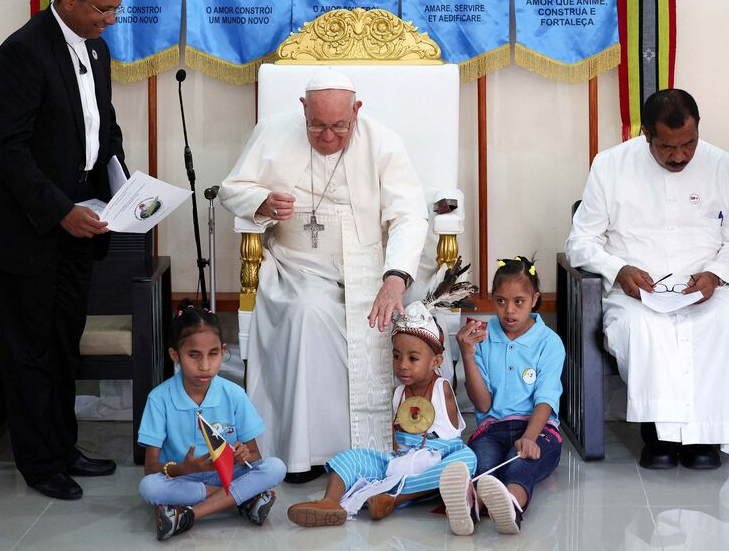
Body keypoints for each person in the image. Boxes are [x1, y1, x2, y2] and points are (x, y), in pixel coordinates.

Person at [565, 89, 729, 470]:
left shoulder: (723, 166)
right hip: (637, 291)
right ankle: (658, 436)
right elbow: (580, 242)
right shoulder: (609, 166)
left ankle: (706, 435)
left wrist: (715, 275)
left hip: (707, 286)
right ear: (645, 136)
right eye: (667, 148)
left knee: (728, 321)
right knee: (644, 328)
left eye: (688, 144)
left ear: (697, 130)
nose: (679, 156)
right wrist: (617, 270)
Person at [0, 0, 127, 500]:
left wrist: (124, 190)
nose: (110, 20)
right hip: (27, 227)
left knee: (63, 343)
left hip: (79, 220)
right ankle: (39, 463)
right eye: (102, 10)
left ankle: (63, 446)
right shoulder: (21, 53)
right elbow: (8, 152)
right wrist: (61, 210)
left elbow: (103, 128)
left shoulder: (96, 50)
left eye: (114, 12)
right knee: (30, 348)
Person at [219, 69, 428, 481]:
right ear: (303, 110)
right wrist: (261, 201)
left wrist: (395, 278)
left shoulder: (384, 142)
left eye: (339, 126)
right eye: (317, 125)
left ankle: (368, 450)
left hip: (371, 264)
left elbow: (409, 215)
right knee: (306, 313)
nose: (328, 137)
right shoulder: (274, 131)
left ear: (357, 111)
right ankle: (305, 453)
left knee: (379, 322)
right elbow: (231, 189)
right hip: (297, 263)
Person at [286, 294, 476, 527]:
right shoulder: (399, 393)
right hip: (399, 460)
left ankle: (392, 500)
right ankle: (330, 502)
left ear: (436, 362)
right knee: (349, 457)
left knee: (467, 459)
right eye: (397, 356)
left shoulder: (441, 387)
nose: (402, 365)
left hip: (435, 461)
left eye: (413, 358)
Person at [137, 303, 286, 541]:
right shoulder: (159, 399)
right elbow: (151, 467)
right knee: (149, 487)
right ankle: (242, 500)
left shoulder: (234, 394)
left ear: (223, 350)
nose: (205, 366)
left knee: (276, 467)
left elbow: (255, 454)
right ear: (175, 355)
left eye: (213, 354)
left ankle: (188, 515)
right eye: (193, 355)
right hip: (184, 479)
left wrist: (243, 454)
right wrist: (182, 468)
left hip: (227, 474)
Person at [442, 256, 564, 536]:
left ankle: (510, 507)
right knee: (483, 465)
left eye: (518, 301)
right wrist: (468, 354)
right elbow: (483, 404)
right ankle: (470, 506)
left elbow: (546, 398)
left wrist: (530, 438)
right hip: (492, 429)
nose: (509, 310)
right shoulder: (483, 337)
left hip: (538, 429)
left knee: (520, 465)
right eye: (500, 301)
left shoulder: (549, 343)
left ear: (534, 299)